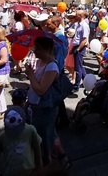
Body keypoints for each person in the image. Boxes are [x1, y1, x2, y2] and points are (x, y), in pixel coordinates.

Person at [25, 37, 69, 168]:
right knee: (50, 133)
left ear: (48, 50)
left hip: (44, 108)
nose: (35, 51)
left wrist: (30, 75)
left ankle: (47, 164)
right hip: (36, 106)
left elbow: (41, 90)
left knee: (43, 138)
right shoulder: (40, 63)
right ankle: (62, 156)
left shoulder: (52, 66)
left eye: (38, 48)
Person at [0, 106, 43, 176]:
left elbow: (37, 148)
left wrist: (40, 167)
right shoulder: (2, 136)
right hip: (10, 172)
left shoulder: (30, 130)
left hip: (28, 171)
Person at [71, 10, 90, 91]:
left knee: (78, 68)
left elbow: (85, 39)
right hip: (76, 46)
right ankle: (87, 81)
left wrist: (78, 49)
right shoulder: (78, 24)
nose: (75, 16)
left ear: (81, 16)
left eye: (77, 15)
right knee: (80, 66)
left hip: (80, 48)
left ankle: (76, 85)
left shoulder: (84, 25)